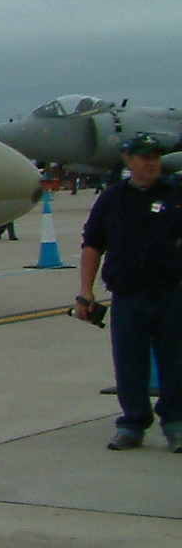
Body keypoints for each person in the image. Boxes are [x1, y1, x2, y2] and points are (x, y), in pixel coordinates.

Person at [75, 134, 182, 451]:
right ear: (128, 160)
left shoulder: (176, 194)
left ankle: (176, 422)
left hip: (172, 294)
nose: (150, 162)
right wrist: (85, 291)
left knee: (175, 360)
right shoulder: (112, 199)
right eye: (143, 156)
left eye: (155, 156)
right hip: (128, 296)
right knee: (129, 361)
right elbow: (92, 244)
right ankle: (133, 423)